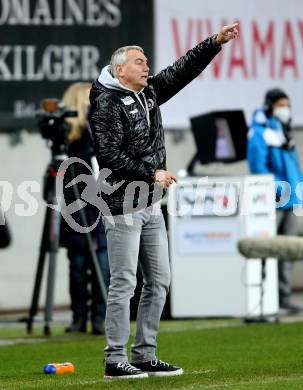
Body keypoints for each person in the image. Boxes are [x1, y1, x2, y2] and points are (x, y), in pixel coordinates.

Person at [89, 24, 238, 379]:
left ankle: (144, 354)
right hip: (122, 203)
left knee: (159, 281)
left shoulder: (150, 91)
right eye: (139, 62)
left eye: (146, 61)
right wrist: (151, 172)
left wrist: (214, 42)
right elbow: (109, 155)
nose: (146, 66)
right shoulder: (105, 102)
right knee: (124, 282)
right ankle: (114, 359)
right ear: (119, 69)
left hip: (150, 202)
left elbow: (182, 69)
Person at [60, 82, 110, 335]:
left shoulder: (97, 133)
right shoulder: (69, 138)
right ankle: (79, 317)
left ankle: (98, 317)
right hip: (76, 207)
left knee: (101, 266)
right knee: (78, 267)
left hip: (96, 207)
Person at [247, 88, 303, 313]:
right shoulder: (259, 132)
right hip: (274, 200)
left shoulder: (283, 131)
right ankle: (266, 299)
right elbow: (258, 166)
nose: (285, 109)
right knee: (269, 251)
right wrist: (278, 191)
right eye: (281, 105)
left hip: (293, 200)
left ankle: (284, 297)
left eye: (287, 105)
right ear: (270, 105)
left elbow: (294, 167)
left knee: (287, 251)